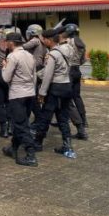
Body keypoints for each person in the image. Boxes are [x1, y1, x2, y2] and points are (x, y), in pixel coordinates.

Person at [33, 28, 75, 157]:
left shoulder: (53, 54)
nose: (43, 41)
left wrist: (42, 93)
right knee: (63, 116)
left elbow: (48, 76)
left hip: (55, 88)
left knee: (46, 116)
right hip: (67, 86)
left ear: (49, 40)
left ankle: (38, 143)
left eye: (44, 39)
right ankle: (67, 145)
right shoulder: (68, 49)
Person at [0, 32, 38, 167]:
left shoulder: (12, 56)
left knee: (22, 125)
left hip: (17, 94)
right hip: (29, 93)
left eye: (7, 41)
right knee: (20, 122)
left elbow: (6, 78)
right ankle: (13, 148)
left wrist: (4, 66)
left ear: (11, 43)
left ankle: (30, 154)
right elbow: (34, 77)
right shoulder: (29, 55)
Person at [63, 23, 88, 140]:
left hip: (70, 71)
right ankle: (84, 119)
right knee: (77, 96)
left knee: (68, 99)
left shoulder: (69, 42)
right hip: (77, 70)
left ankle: (77, 124)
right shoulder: (81, 42)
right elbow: (84, 59)